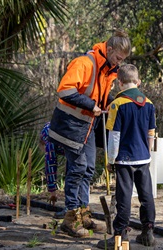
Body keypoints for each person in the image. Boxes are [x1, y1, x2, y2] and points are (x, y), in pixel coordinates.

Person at [48, 29, 131, 238]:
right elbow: (65, 91)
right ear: (109, 49)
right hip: (70, 125)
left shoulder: (107, 70)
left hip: (88, 126)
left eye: (122, 60)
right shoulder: (84, 63)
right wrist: (91, 105)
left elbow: (100, 97)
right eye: (118, 58)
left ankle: (83, 215)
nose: (118, 63)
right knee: (77, 169)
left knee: (88, 169)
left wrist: (116, 103)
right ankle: (70, 219)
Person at [96, 64, 156, 249]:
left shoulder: (117, 104)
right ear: (138, 82)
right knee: (146, 195)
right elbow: (151, 133)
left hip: (124, 159)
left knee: (124, 197)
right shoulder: (149, 103)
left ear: (119, 83)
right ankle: (148, 232)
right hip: (143, 157)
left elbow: (114, 136)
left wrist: (110, 160)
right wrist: (148, 153)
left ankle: (120, 236)